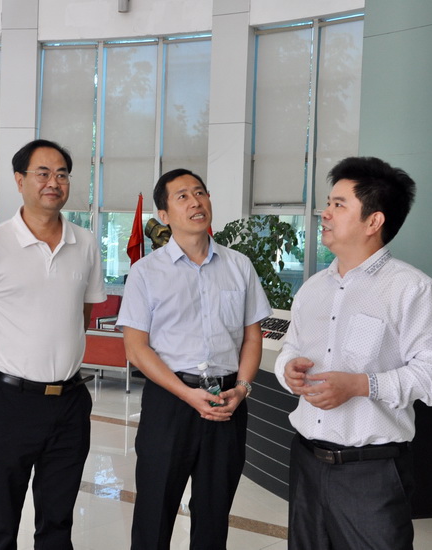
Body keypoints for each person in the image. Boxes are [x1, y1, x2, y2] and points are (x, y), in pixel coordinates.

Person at [274, 157, 432, 550]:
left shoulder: (412, 290)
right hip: (306, 461)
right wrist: (287, 367)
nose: (324, 213)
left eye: (339, 205)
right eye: (328, 203)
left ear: (373, 221)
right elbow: (290, 347)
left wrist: (362, 385)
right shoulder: (312, 289)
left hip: (370, 472)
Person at [0, 139, 107, 550]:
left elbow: (81, 314)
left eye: (62, 174)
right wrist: (6, 367)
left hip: (70, 403)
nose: (53, 182)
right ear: (20, 180)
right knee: (2, 521)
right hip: (10, 403)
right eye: (43, 173)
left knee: (58, 522)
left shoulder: (85, 243)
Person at [116, 168, 272, 550]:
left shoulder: (239, 266)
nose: (195, 202)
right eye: (182, 196)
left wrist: (242, 388)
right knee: (154, 513)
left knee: (214, 516)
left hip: (226, 403)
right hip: (170, 402)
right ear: (164, 214)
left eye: (200, 192)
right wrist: (187, 395)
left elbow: (253, 336)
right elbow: (136, 348)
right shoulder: (145, 272)